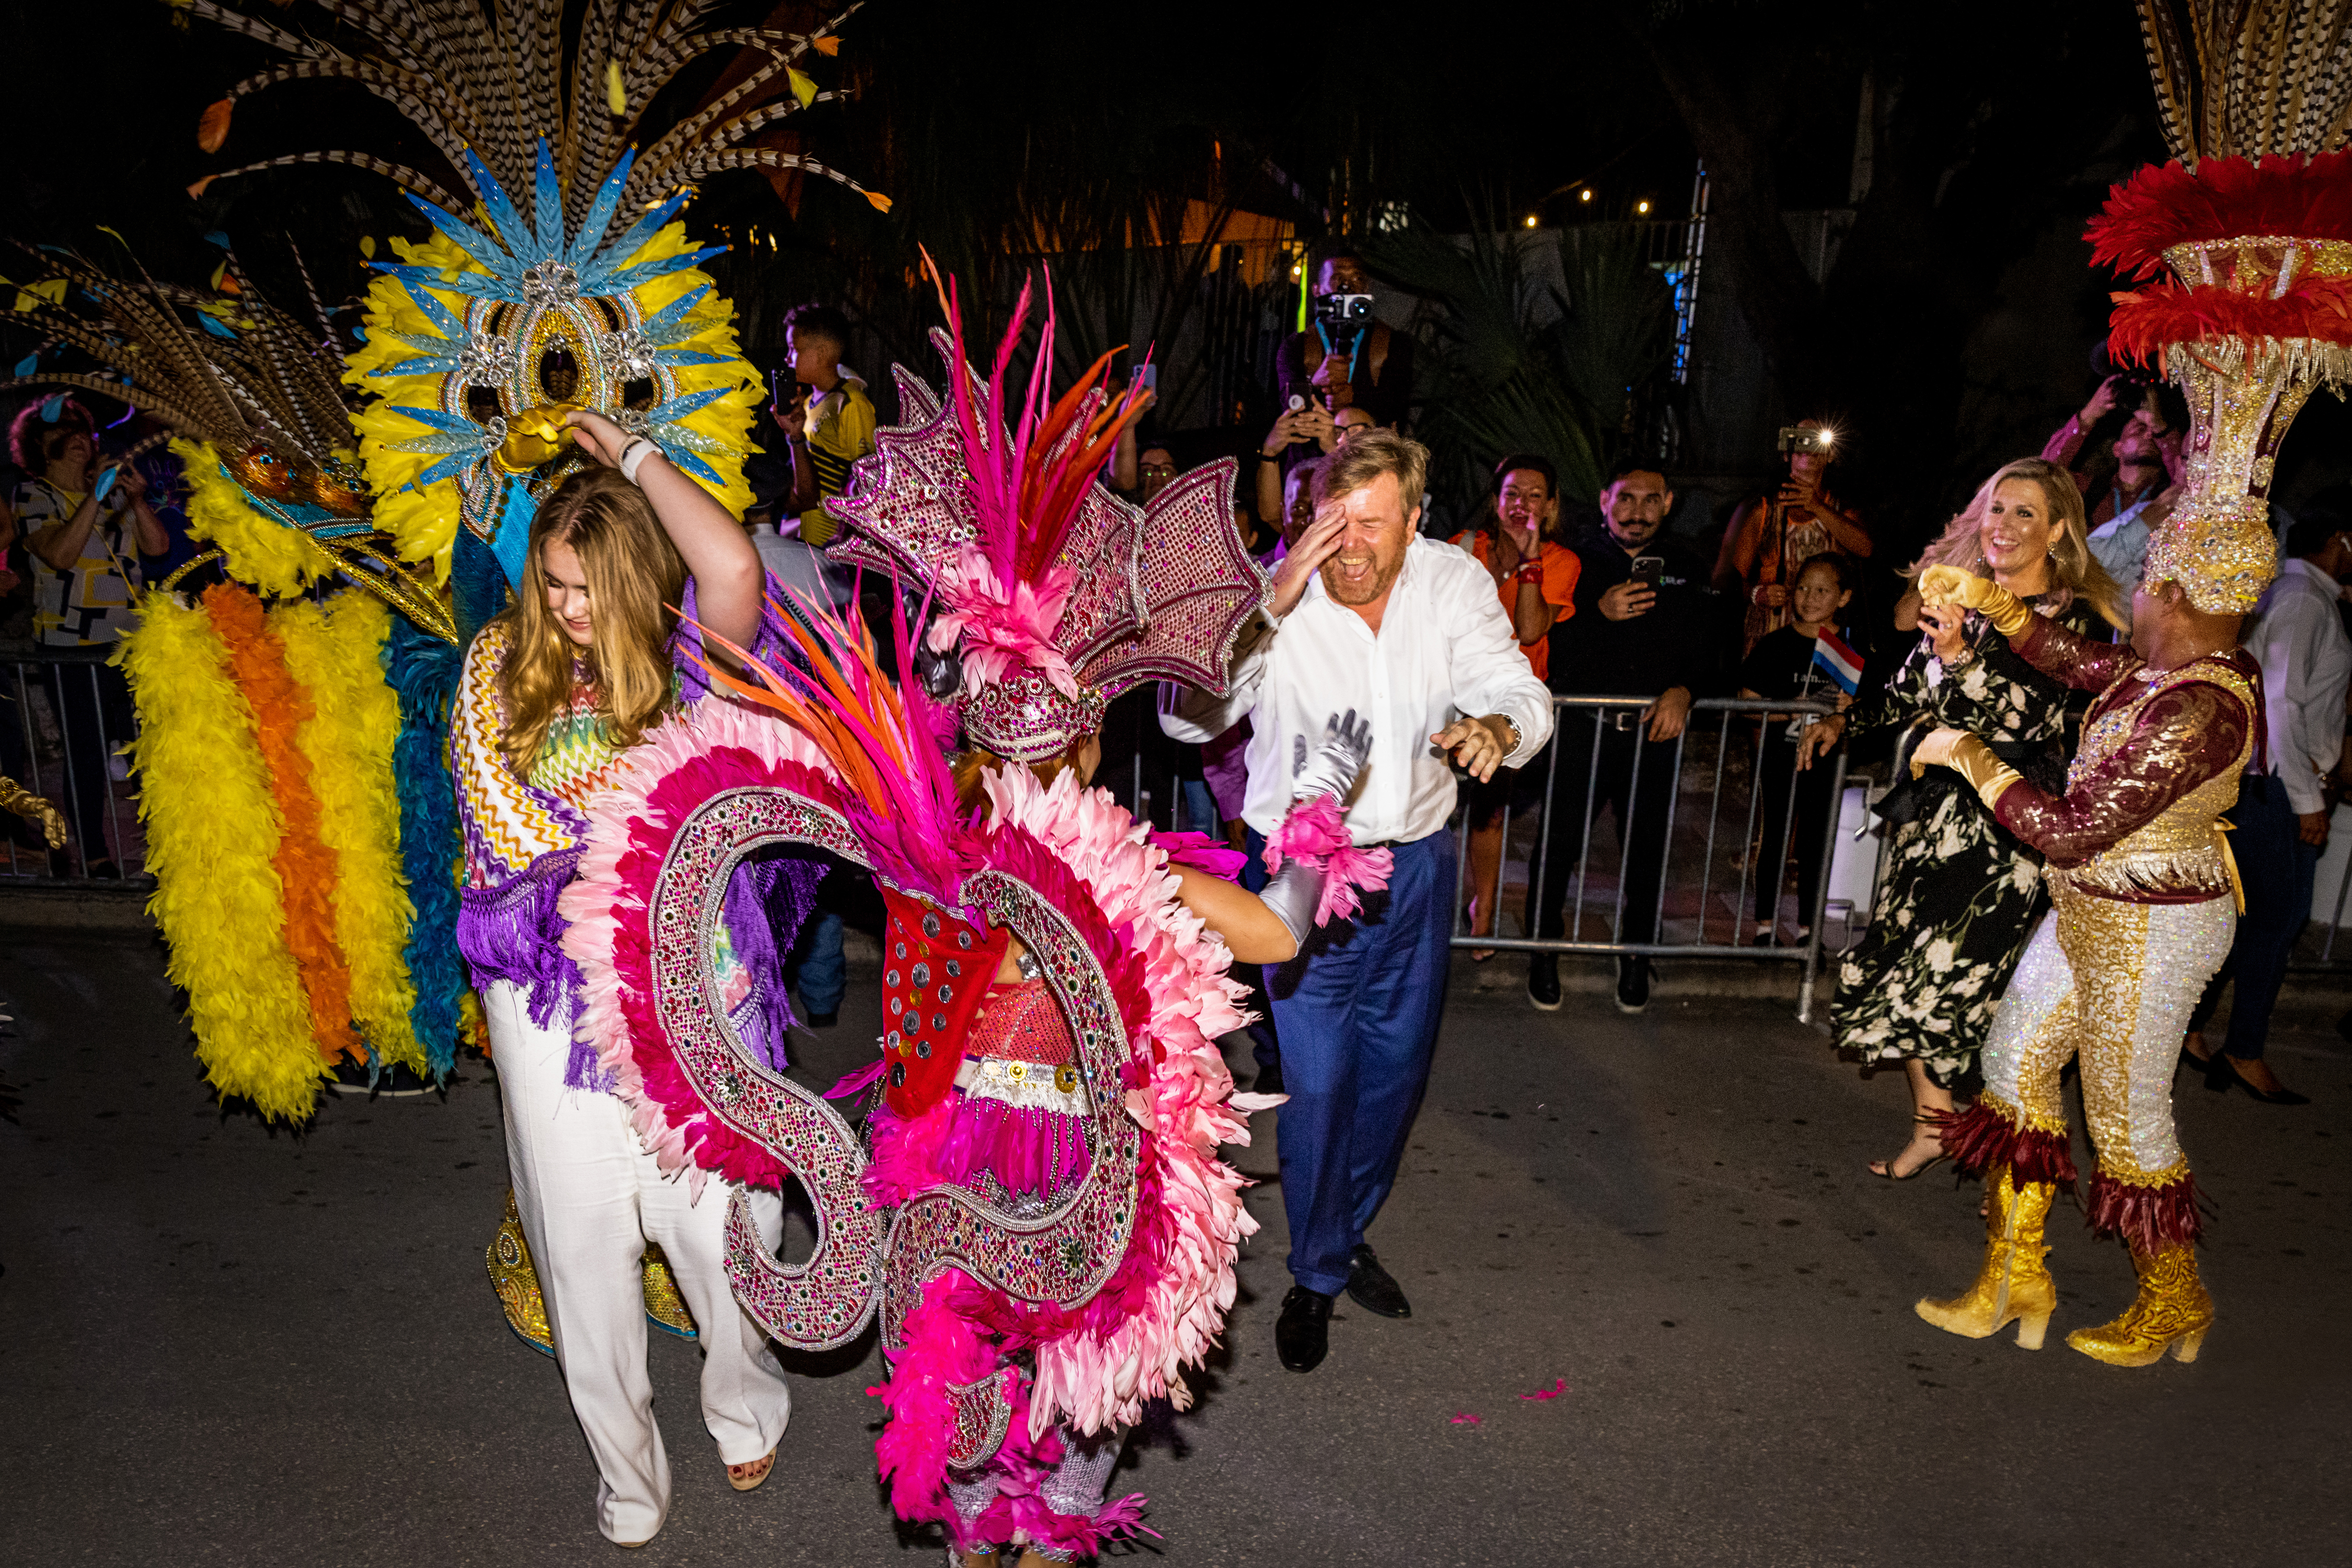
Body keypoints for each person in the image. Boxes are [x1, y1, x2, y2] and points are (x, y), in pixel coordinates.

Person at [786, 280, 1377, 1561]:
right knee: (1029, 1428)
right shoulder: (1005, 866)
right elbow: (1277, 931)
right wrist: (1320, 802)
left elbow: (1269, 932)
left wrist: (1317, 804)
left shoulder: (1015, 858)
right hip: (1024, 1168)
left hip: (1024, 1164)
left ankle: (1012, 1524)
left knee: (1018, 1434)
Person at [447, 410, 792, 1547]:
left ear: (641, 581)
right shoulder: (496, 668)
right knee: (583, 1241)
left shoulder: (697, 666)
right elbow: (497, 842)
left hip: (685, 988)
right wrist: (598, 886)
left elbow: (736, 563)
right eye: (554, 585)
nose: (570, 611)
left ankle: (745, 1404)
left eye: (593, 587)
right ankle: (629, 1478)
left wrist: (629, 451)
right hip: (545, 998)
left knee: (716, 1226)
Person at [1163, 428, 1554, 1374]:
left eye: (1372, 525)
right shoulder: (1278, 587)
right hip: (1299, 877)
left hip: (1415, 869)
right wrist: (1271, 603)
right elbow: (1187, 713)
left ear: (1413, 523)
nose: (1350, 544)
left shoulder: (1452, 582)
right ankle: (1317, 1271)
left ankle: (1341, 1233)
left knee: (1390, 1084)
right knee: (1319, 1085)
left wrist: (1500, 725)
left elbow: (1518, 686)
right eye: (1333, 522)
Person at [1906, 494, 2267, 1367]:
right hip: (2087, 912)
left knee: (2127, 1121)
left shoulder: (2200, 710)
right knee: (2014, 1064)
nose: (2134, 594)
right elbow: (2075, 659)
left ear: (2174, 596)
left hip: (2158, 935)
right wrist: (1993, 604)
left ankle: (2177, 1298)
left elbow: (2072, 828)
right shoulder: (2158, 672)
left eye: (2146, 582)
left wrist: (1970, 756)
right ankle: (2014, 1274)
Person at [1800, 458, 2127, 1180]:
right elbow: (1911, 693)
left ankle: (2007, 1138)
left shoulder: (2074, 619)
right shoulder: (1963, 605)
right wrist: (1844, 723)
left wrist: (1959, 660)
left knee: (1958, 987)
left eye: (2025, 514)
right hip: (1934, 819)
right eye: (1997, 509)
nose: (2004, 526)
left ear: (2059, 530)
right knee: (1903, 972)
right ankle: (1936, 1126)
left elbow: (2030, 716)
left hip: (2009, 829)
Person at [1526, 458, 1713, 1015]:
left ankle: (1635, 957)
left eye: (1650, 500)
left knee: (1648, 853)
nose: (1637, 512)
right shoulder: (1578, 559)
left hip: (1653, 737)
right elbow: (1552, 648)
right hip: (1584, 728)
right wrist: (1597, 613)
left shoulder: (1687, 563)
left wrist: (1686, 690)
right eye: (1626, 499)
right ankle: (1542, 950)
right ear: (1605, 500)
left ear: (1669, 504)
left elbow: (1710, 648)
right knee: (1557, 847)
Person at [2180, 511, 2351, 1102]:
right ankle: (2243, 1049)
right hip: (2276, 785)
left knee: (2249, 919)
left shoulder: (2302, 595)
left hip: (2273, 783)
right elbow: (2278, 702)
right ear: (2339, 538)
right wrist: (2307, 799)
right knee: (2274, 922)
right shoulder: (2304, 599)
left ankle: (2195, 1030)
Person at [10, 398, 169, 877]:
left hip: (131, 643)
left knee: (149, 747)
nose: (81, 437)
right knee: (86, 753)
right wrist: (94, 498)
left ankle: (164, 846)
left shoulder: (114, 493)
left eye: (85, 430)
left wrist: (135, 499)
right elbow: (59, 554)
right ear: (41, 445)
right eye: (66, 432)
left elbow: (157, 548)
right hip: (71, 646)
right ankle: (94, 853)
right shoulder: (31, 495)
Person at [1450, 454, 1580, 957]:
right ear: (1496, 500)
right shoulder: (1464, 548)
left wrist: (1529, 565)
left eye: (1533, 496)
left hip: (1505, 711)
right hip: (1447, 699)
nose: (1520, 505)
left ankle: (1482, 911)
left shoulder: (1562, 561)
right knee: (1425, 809)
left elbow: (1530, 630)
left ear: (1549, 506)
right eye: (1511, 494)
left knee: (1489, 816)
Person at [1739, 552, 1861, 946]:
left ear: (1843, 598)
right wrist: (1787, 710)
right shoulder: (1775, 645)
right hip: (1779, 757)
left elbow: (1866, 705)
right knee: (1774, 835)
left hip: (1826, 762)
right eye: (1803, 589)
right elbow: (1747, 702)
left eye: (1822, 591)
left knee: (1815, 842)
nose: (1809, 598)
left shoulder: (1850, 649)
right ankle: (1765, 926)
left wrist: (1847, 712)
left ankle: (1809, 929)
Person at [1713, 419, 1871, 654]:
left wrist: (1816, 507)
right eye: (1800, 442)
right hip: (1771, 631)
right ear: (1786, 454)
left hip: (1825, 635)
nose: (1808, 450)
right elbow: (1728, 578)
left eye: (1817, 442)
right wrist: (1759, 594)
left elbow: (1865, 549)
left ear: (1830, 455)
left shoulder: (1841, 510)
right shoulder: (1761, 510)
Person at [1275, 251, 1416, 430]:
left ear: (1367, 288)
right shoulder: (1295, 346)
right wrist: (1315, 384)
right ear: (1317, 290)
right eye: (1337, 279)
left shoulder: (1393, 342)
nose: (1347, 287)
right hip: (1311, 457)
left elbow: (1399, 407)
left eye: (1357, 279)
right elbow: (1287, 408)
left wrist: (1355, 397)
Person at [779, 302, 877, 549]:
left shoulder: (851, 404)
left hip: (830, 547)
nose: (788, 358)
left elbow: (869, 480)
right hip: (802, 538)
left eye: (794, 349)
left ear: (820, 353)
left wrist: (849, 539)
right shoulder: (810, 402)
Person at [2043, 373, 2183, 529]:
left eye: (2154, 434)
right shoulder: (2090, 493)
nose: (2149, 434)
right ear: (2117, 449)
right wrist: (2090, 413)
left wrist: (2158, 425)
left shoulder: (2171, 492)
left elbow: (2190, 473)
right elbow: (2045, 474)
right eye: (2139, 430)